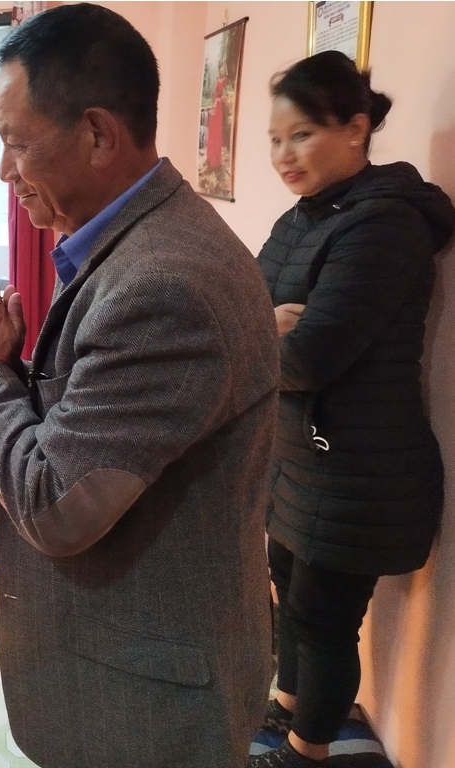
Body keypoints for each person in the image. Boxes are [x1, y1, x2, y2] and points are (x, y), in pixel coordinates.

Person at [0, 5, 279, 766]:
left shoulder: (163, 285)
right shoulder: (136, 243)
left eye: (16, 144)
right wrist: (12, 373)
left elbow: (56, 506)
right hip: (142, 663)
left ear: (96, 133)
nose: (5, 172)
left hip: (145, 703)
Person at [251, 51, 454, 768]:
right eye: (275, 139)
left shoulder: (383, 225)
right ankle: (284, 705)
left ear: (356, 129)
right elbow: (241, 312)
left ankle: (305, 752)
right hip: (300, 453)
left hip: (358, 467)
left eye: (302, 135)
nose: (284, 155)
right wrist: (265, 324)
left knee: (324, 621)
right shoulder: (303, 217)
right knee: (287, 596)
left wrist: (263, 334)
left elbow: (307, 358)